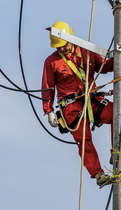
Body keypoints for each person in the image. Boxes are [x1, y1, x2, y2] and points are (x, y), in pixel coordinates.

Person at [41, 21, 115, 187]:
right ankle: (98, 174)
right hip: (71, 106)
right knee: (84, 139)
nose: (61, 49)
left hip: (92, 99)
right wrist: (49, 111)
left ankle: (116, 153)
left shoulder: (86, 51)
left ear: (70, 39)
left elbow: (103, 66)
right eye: (57, 47)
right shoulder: (51, 62)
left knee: (117, 114)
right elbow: (47, 87)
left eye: (63, 45)